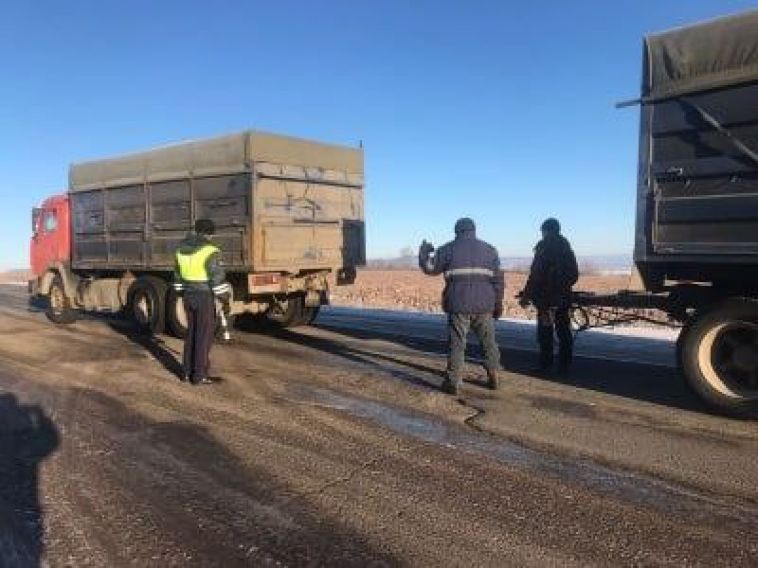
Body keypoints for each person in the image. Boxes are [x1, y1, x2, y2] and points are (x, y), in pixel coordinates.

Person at [419, 218, 504, 395]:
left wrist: (424, 253)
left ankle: (453, 382)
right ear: (474, 230)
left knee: (457, 343)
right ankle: (494, 374)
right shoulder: (490, 250)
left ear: (457, 231)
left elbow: (429, 268)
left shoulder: (448, 249)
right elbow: (498, 281)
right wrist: (498, 304)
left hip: (458, 304)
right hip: (484, 305)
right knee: (488, 342)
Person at [173, 219, 231, 385]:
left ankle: (186, 372)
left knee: (191, 333)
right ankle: (199, 375)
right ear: (209, 233)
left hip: (188, 296)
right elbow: (217, 278)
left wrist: (180, 292)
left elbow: (177, 276)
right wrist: (224, 299)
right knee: (203, 335)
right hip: (204, 296)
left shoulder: (181, 249)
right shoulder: (210, 250)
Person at [519, 218, 579, 373]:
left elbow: (536, 275)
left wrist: (526, 296)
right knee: (564, 331)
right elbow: (574, 274)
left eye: (542, 231)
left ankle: (546, 366)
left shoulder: (544, 248)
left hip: (546, 300)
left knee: (545, 333)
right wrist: (562, 287)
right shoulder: (567, 249)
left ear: (547, 231)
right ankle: (565, 367)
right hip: (563, 298)